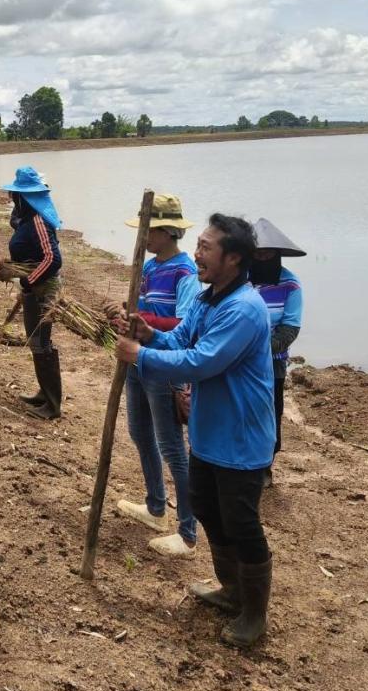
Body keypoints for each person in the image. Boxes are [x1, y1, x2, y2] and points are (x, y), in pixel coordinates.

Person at [114, 214, 276, 647]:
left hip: (241, 438)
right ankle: (231, 590)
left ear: (234, 258)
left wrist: (139, 357)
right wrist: (149, 335)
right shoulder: (209, 300)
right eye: (199, 245)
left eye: (206, 247)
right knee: (207, 507)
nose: (198, 253)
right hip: (208, 432)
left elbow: (201, 361)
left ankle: (255, 614)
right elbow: (181, 340)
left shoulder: (244, 309)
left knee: (242, 522)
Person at [112, 194, 201, 558]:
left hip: (164, 366)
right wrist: (124, 314)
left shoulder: (185, 273)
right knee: (139, 432)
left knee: (172, 447)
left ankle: (188, 532)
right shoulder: (149, 268)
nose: (143, 238)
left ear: (167, 231)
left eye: (149, 231)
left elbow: (183, 324)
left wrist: (144, 325)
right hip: (138, 361)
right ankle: (155, 507)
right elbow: (142, 307)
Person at [1, 166, 64, 420]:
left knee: (41, 343)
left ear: (24, 196)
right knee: (36, 342)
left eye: (15, 195)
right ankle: (44, 393)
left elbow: (53, 259)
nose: (11, 198)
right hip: (33, 288)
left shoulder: (38, 220)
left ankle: (52, 405)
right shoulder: (26, 217)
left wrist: (29, 281)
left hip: (43, 290)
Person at [250, 218, 305, 486]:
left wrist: (258, 349)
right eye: (256, 253)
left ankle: (265, 466)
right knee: (241, 409)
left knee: (270, 412)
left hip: (273, 362)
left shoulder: (290, 285)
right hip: (236, 360)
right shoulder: (239, 279)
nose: (261, 258)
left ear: (277, 254)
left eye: (267, 253)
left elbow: (290, 329)